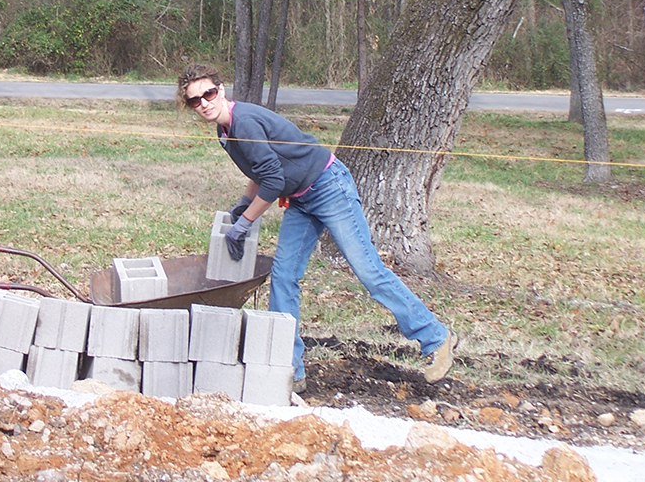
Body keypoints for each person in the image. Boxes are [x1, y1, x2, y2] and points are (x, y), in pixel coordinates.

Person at [176, 63, 458, 391]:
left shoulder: (245, 122)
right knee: (284, 276)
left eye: (208, 93)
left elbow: (272, 179)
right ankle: (289, 368)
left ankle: (436, 338)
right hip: (301, 199)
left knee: (369, 271)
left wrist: (245, 223)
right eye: (195, 101)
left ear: (221, 90)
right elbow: (260, 171)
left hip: (328, 187)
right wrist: (242, 204)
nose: (204, 103)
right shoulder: (226, 131)